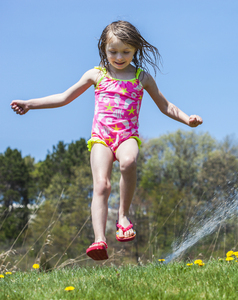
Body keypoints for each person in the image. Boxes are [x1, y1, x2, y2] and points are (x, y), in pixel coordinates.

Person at [10, 20, 203, 261]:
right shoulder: (97, 74)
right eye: (113, 51)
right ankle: (99, 240)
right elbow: (63, 97)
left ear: (135, 50)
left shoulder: (142, 78)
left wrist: (187, 119)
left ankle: (122, 217)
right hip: (101, 138)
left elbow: (165, 106)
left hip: (127, 136)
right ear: (104, 49)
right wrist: (30, 104)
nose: (119, 57)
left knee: (128, 162)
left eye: (126, 52)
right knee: (101, 185)